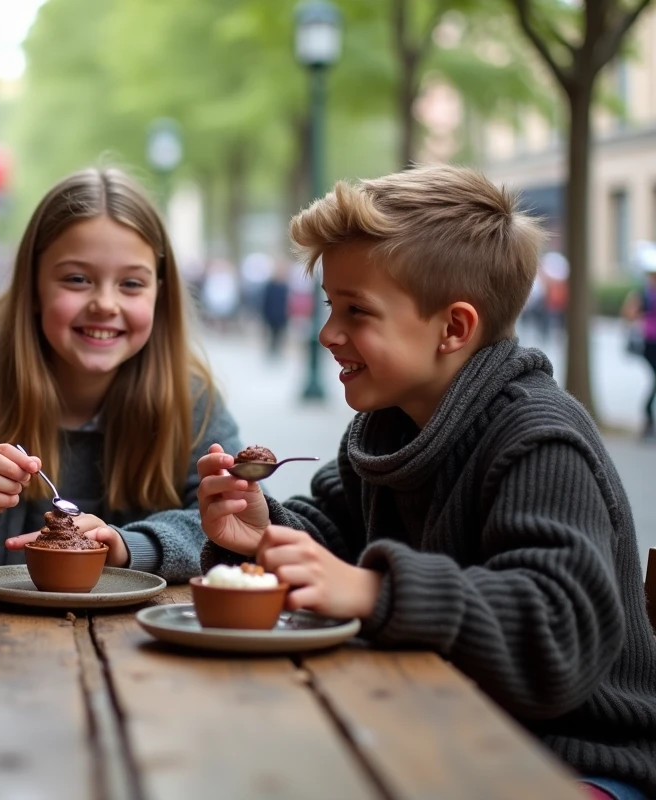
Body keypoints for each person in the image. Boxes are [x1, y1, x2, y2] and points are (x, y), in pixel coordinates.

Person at [196, 165, 655, 797]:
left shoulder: (539, 438)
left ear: (454, 329)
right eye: (332, 306)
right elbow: (333, 537)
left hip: (576, 761)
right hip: (435, 727)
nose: (328, 333)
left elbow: (554, 636)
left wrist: (374, 590)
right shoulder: (392, 426)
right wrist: (261, 530)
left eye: (357, 312)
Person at [0, 168, 241, 581]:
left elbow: (240, 524)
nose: (105, 304)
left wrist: (131, 546)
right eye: (77, 279)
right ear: (34, 285)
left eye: (131, 284)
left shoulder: (188, 396)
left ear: (159, 294)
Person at [621, 260, 656, 441]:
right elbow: (628, 314)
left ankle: (649, 418)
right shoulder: (643, 294)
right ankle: (648, 416)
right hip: (649, 343)